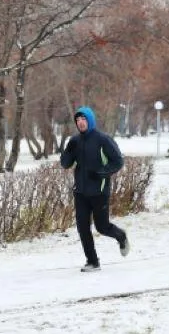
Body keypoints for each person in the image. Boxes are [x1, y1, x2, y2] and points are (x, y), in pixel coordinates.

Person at [60, 106, 129, 272]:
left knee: (102, 227)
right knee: (82, 227)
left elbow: (118, 161)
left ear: (90, 120)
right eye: (77, 120)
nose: (80, 123)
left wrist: (101, 174)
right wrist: (67, 151)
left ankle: (121, 236)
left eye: (83, 119)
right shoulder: (75, 141)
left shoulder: (103, 139)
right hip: (81, 192)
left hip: (99, 192)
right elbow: (65, 164)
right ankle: (92, 261)